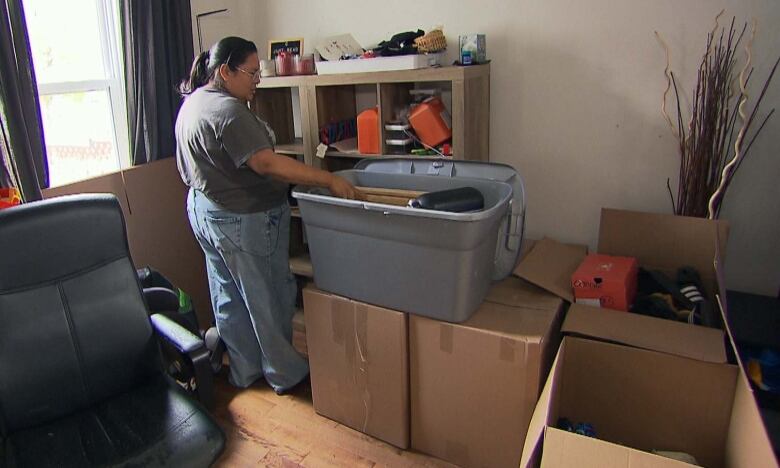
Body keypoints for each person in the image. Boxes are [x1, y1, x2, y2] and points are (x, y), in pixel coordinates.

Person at [175, 36, 361, 394]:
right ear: (225, 71)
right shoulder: (228, 111)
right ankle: (285, 372)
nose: (257, 81)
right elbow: (265, 163)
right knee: (268, 296)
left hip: (205, 210)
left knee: (227, 294)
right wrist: (327, 179)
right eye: (251, 73)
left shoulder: (194, 103)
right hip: (243, 220)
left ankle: (245, 370)